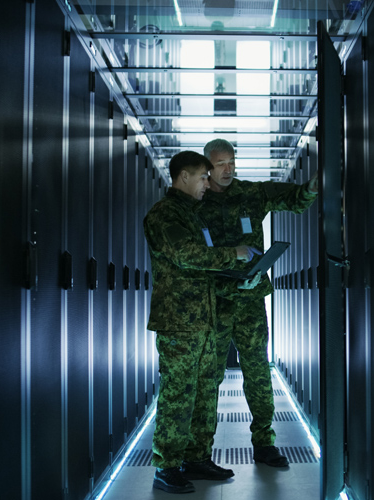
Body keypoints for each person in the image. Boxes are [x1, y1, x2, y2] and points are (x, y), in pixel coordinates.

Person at [143, 150, 260, 494]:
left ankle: (196, 457)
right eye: (202, 178)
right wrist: (234, 253)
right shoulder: (164, 215)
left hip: (206, 320)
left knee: (206, 392)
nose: (208, 184)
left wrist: (240, 277)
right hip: (179, 324)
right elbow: (187, 256)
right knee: (178, 394)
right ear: (183, 178)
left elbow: (205, 270)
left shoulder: (194, 216)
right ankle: (166, 465)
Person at [196, 138, 318, 467]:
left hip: (249, 301)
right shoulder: (196, 201)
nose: (228, 169)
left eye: (232, 162)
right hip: (214, 303)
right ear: (207, 166)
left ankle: (264, 443)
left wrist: (315, 186)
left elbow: (294, 199)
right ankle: (200, 452)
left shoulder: (251, 193)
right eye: (221, 163)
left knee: (258, 372)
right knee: (208, 377)